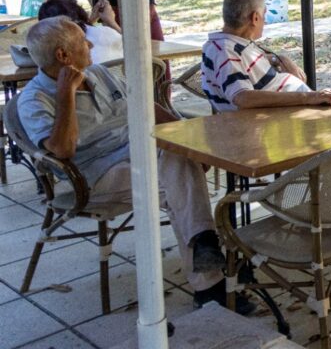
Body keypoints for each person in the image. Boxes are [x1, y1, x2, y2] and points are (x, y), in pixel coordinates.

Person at [19, 18, 251, 312]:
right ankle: (209, 259)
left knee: (177, 166)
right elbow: (63, 150)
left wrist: (188, 141)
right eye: (82, 42)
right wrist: (65, 93)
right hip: (94, 176)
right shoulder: (33, 99)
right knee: (179, 180)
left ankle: (208, 269)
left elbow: (143, 105)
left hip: (138, 157)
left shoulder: (98, 72)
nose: (90, 45)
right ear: (63, 56)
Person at [201, 0, 331, 111]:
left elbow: (249, 70)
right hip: (273, 119)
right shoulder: (224, 51)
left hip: (292, 111)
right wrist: (310, 97)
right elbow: (243, 98)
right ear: (255, 18)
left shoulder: (236, 44)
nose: (265, 21)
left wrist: (279, 59)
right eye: (264, 15)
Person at [38, 0, 123, 64]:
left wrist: (90, 21)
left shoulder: (55, 52)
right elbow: (131, 48)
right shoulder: (105, 33)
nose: (90, 45)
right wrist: (112, 22)